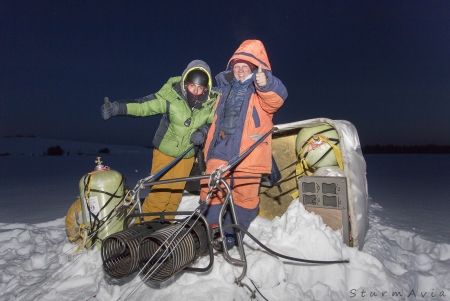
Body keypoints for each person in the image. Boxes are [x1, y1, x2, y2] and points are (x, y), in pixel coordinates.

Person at [101, 60, 219, 221]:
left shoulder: (210, 103)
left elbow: (215, 121)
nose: (196, 92)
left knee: (174, 199)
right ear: (185, 84)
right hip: (165, 154)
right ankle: (140, 234)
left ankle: (163, 234)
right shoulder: (171, 96)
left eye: (200, 88)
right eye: (193, 86)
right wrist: (117, 108)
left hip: (186, 156)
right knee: (160, 197)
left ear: (206, 88)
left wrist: (204, 131)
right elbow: (144, 106)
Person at [200, 40, 288, 250]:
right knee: (211, 188)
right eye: (237, 67)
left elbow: (278, 98)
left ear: (254, 68)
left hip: (249, 150)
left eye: (245, 67)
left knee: (245, 196)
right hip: (221, 144)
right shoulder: (223, 89)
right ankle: (209, 228)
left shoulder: (260, 90)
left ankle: (231, 234)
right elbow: (208, 115)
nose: (240, 71)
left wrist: (266, 82)